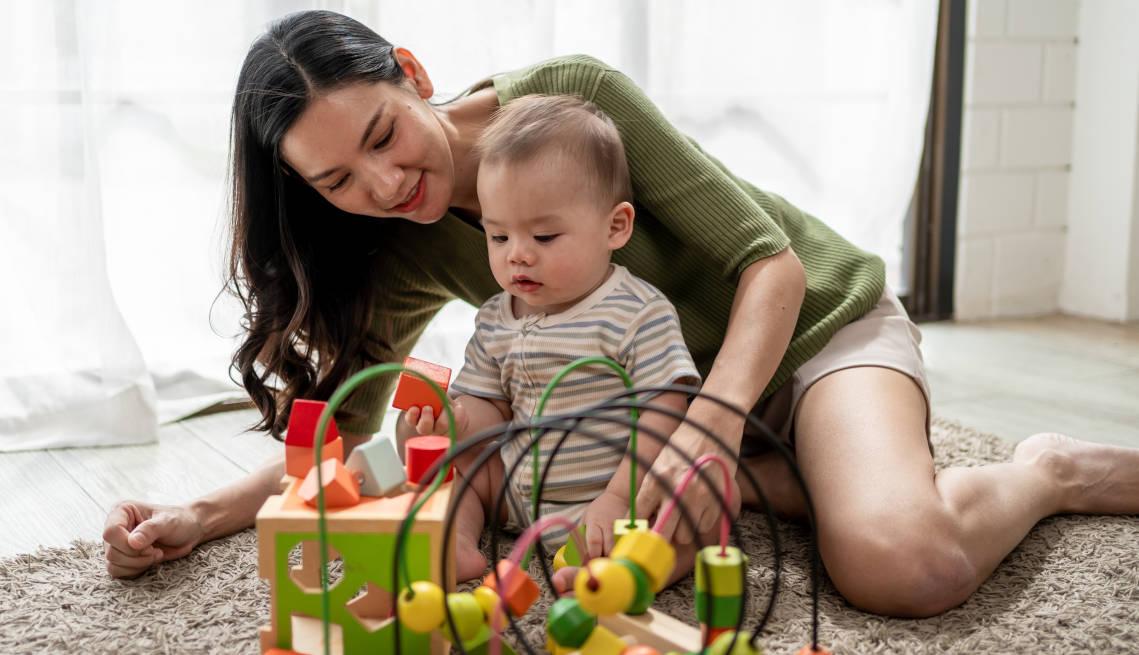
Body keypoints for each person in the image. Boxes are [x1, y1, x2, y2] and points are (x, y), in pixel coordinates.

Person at [102, 10, 1139, 618]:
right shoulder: (399, 240)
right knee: (565, 528)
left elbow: (765, 264)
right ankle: (781, 474)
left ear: (411, 75)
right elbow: (347, 430)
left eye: (382, 134)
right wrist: (196, 516)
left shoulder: (567, 98)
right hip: (671, 409)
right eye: (336, 179)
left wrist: (705, 427)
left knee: (899, 566)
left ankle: (1043, 467)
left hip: (813, 328)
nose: (381, 182)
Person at [398, 93, 701, 581]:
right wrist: (452, 421)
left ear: (615, 227)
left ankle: (641, 571)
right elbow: (488, 408)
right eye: (498, 237)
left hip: (608, 494)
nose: (517, 255)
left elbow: (665, 413)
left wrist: (620, 498)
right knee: (453, 472)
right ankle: (454, 541)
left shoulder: (636, 312)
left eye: (543, 238)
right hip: (516, 491)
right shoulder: (497, 316)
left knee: (686, 505)